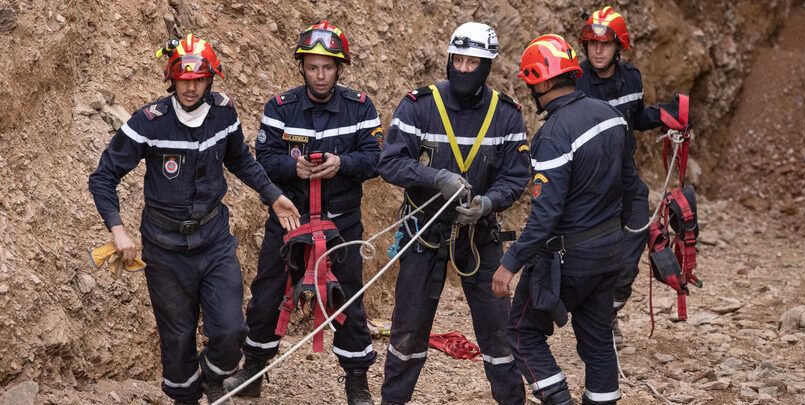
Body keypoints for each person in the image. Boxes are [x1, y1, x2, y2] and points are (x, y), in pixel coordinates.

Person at [88, 34, 300, 405]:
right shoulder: (149, 121)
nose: (191, 87)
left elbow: (241, 160)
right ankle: (187, 397)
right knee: (177, 339)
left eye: (199, 79)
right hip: (164, 248)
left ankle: (214, 375)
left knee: (231, 332)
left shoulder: (223, 111)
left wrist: (273, 196)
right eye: (184, 80)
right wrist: (117, 230)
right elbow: (103, 176)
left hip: (214, 239)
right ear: (172, 79)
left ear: (210, 79)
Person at [223, 21, 381, 405]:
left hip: (341, 221)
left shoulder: (361, 107)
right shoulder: (281, 108)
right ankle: (254, 370)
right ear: (301, 67)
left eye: (327, 67)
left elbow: (376, 158)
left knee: (348, 300)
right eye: (312, 67)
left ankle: (356, 381)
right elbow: (264, 158)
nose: (320, 75)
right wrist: (293, 169)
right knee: (266, 294)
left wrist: (340, 163)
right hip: (289, 219)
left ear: (339, 67)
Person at [378, 21, 529, 405]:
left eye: (472, 63)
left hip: (479, 236)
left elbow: (516, 176)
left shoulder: (506, 114)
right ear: (448, 59)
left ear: (487, 66)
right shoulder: (420, 106)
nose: (463, 69)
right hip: (424, 232)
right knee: (407, 334)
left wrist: (489, 203)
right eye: (457, 60)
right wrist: (434, 177)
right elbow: (391, 163)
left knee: (499, 334)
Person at [492, 34, 636, 405]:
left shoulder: (553, 135)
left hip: (571, 258)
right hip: (610, 251)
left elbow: (546, 215)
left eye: (530, 83)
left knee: (523, 332)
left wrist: (510, 264)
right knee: (598, 339)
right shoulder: (611, 116)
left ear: (540, 81)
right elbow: (631, 185)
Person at [576, 6, 680, 344]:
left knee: (633, 242)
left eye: (605, 44)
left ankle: (607, 314)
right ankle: (584, 315)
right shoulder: (573, 81)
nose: (598, 50)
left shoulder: (632, 78)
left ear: (618, 46)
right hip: (588, 182)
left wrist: (666, 115)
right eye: (592, 44)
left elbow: (634, 118)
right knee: (591, 253)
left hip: (625, 177)